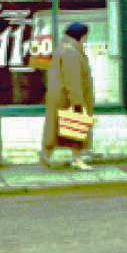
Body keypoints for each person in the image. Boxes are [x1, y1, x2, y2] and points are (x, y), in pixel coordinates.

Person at [40, 22, 95, 170]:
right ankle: (77, 160)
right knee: (76, 126)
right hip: (68, 97)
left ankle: (46, 155)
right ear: (80, 36)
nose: (86, 39)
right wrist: (77, 101)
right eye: (85, 36)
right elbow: (73, 79)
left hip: (59, 96)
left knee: (55, 128)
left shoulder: (63, 48)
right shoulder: (71, 52)